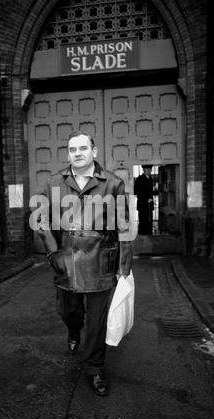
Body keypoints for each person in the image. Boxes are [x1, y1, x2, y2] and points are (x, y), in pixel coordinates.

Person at [38, 131, 132, 397]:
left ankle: (96, 368)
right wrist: (53, 252)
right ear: (68, 154)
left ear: (95, 151)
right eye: (72, 149)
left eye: (82, 148)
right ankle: (72, 330)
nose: (77, 153)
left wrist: (123, 269)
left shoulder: (113, 184)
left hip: (101, 261)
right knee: (68, 312)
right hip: (65, 260)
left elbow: (124, 227)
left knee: (97, 321)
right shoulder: (53, 183)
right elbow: (43, 220)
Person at [134, 165, 154, 236]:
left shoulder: (150, 179)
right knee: (143, 222)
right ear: (143, 170)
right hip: (143, 205)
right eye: (147, 169)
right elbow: (137, 192)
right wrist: (146, 199)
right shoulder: (139, 179)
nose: (149, 170)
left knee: (149, 221)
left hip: (149, 205)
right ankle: (142, 237)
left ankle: (149, 236)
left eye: (150, 169)